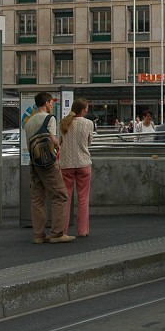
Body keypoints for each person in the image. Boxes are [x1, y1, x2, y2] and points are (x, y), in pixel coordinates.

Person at [25, 92, 75, 244]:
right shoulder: (49, 118)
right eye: (51, 102)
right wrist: (59, 145)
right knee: (60, 195)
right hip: (47, 162)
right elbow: (53, 138)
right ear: (46, 103)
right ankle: (57, 233)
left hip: (34, 162)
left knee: (38, 199)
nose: (52, 105)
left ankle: (38, 235)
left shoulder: (29, 121)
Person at [59, 98, 93, 238]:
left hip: (66, 164)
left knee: (65, 199)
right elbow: (89, 141)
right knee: (83, 199)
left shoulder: (64, 123)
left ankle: (63, 231)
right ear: (83, 110)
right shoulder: (88, 123)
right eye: (87, 108)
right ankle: (82, 230)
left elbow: (60, 141)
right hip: (83, 163)